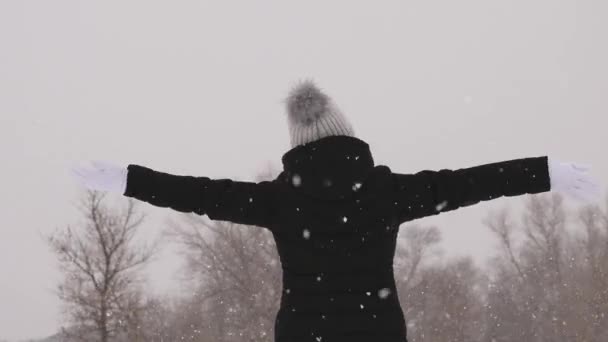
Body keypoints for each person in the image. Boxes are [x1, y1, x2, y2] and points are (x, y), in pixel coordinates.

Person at [71, 81, 601, 342]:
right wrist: (545, 171)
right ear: (348, 133)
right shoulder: (387, 192)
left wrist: (126, 178)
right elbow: (473, 183)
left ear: (297, 143)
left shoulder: (279, 199)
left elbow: (201, 194)